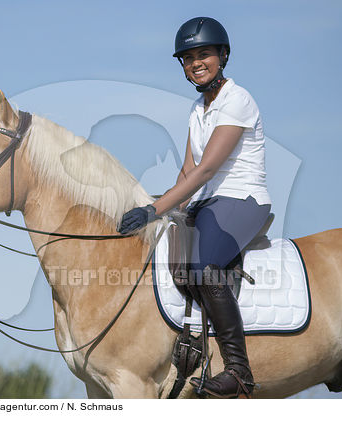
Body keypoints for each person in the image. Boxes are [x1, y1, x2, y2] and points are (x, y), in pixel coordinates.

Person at [117, 17, 272, 398]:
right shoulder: (197, 108)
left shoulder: (238, 100)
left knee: (205, 268)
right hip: (208, 201)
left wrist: (155, 209)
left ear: (222, 56)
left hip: (243, 199)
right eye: (188, 58)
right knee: (169, 254)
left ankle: (239, 372)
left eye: (204, 54)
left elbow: (205, 169)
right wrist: (158, 211)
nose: (196, 63)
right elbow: (186, 170)